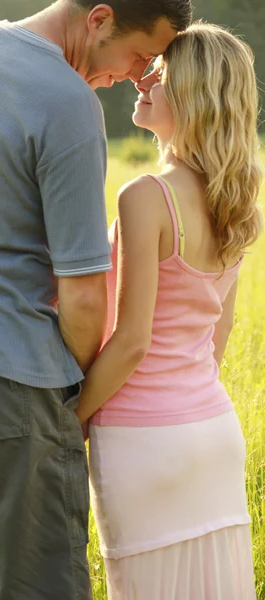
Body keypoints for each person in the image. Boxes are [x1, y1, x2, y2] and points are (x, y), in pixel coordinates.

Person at [0, 1, 192, 599]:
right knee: (34, 583)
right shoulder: (69, 103)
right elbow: (82, 298)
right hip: (10, 378)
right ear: (99, 19)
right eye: (141, 56)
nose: (136, 75)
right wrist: (70, 389)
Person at [75, 22, 263, 599]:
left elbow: (131, 342)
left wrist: (66, 422)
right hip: (211, 433)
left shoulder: (146, 197)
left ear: (195, 95)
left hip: (142, 442)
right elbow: (218, 333)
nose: (144, 79)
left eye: (162, 72)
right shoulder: (236, 201)